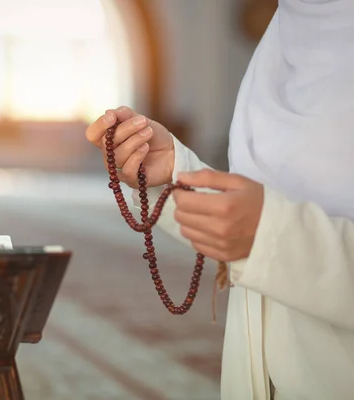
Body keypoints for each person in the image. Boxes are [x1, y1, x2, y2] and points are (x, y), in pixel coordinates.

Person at [86, 2, 354, 399]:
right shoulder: (286, 30)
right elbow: (269, 200)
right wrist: (178, 173)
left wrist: (269, 238)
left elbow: (272, 225)